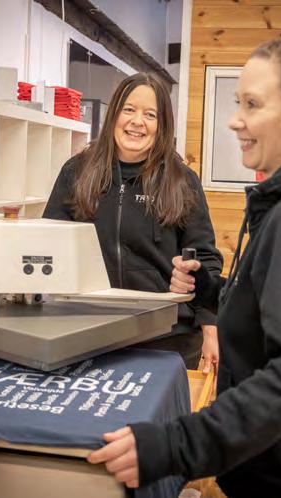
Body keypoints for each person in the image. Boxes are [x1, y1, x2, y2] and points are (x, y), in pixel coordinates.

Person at [87, 35, 281, 498]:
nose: (235, 120)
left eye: (252, 104)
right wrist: (208, 290)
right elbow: (266, 309)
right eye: (239, 103)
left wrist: (174, 445)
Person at [43, 73, 223, 371]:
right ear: (114, 114)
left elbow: (204, 258)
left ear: (162, 125)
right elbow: (49, 243)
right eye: (129, 109)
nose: (137, 121)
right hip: (89, 332)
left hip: (168, 336)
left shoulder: (181, 181)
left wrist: (210, 328)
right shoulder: (77, 172)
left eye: (150, 115)